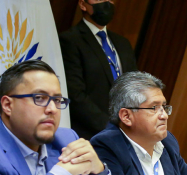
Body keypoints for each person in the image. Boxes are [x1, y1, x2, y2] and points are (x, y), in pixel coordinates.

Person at [59, 0, 138, 140]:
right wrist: (110, 127)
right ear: (83, 4)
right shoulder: (70, 40)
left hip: (122, 134)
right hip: (86, 134)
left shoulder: (123, 44)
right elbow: (75, 94)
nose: (107, 3)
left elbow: (134, 87)